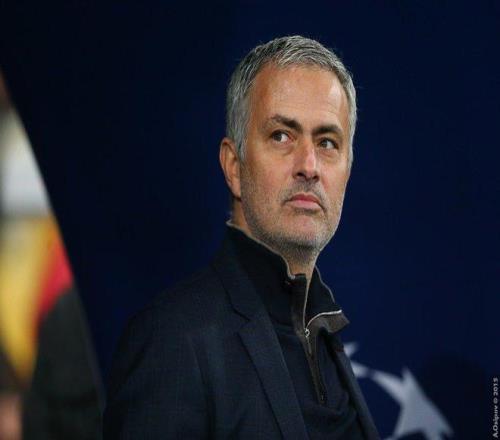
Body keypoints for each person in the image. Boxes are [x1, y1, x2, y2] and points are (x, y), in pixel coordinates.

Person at [104, 35, 379, 439]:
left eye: (327, 142)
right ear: (234, 166)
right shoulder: (172, 341)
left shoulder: (323, 330)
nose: (309, 165)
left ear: (347, 173)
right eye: (282, 136)